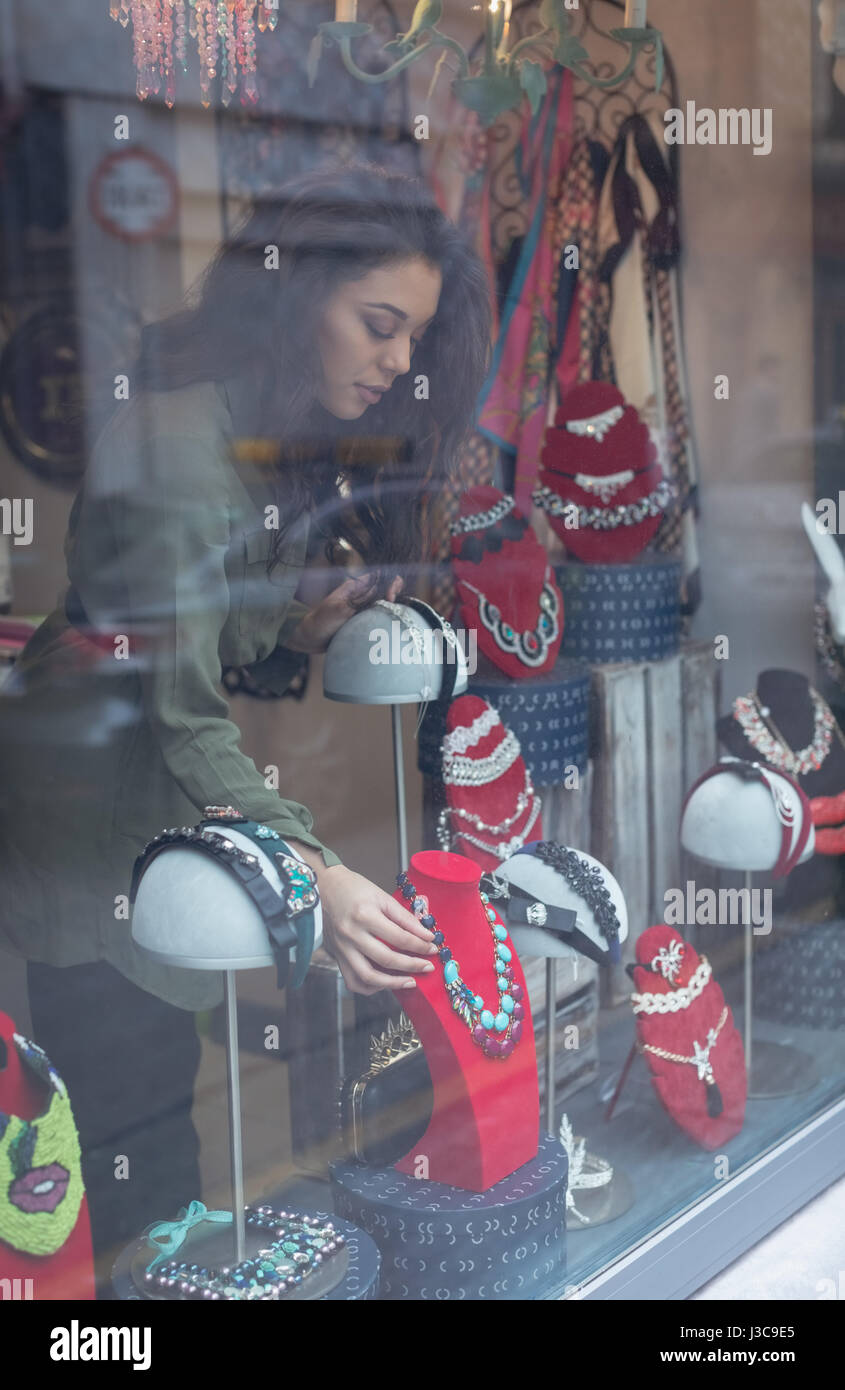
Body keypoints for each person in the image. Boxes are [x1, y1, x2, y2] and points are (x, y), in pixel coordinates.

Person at [0, 161, 492, 1280]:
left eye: (412, 336)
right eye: (378, 325)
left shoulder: (240, 426)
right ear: (294, 298)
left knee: (152, 1099)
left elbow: (201, 633)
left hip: (142, 791)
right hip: (90, 814)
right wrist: (316, 869)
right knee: (129, 1124)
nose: (399, 362)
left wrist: (295, 619)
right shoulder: (179, 455)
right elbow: (181, 716)